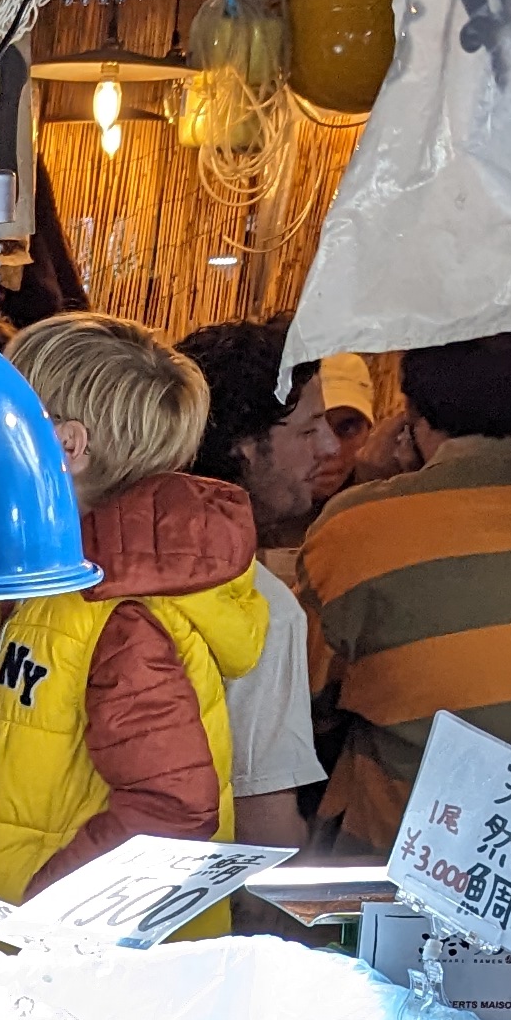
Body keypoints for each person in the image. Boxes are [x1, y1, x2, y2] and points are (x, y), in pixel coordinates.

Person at [0, 313, 265, 899]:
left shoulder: (123, 613)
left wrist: (41, 907)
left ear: (66, 446)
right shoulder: (60, 582)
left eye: (1, 422)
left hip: (72, 946)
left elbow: (172, 809)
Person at [298, 328, 511, 850]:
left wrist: (374, 486)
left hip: (403, 858)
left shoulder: (357, 527)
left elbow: (305, 705)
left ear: (410, 415)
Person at [181, 316, 341, 846]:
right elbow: (263, 821)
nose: (331, 448)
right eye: (309, 429)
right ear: (245, 446)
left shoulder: (95, 553)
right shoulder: (259, 607)